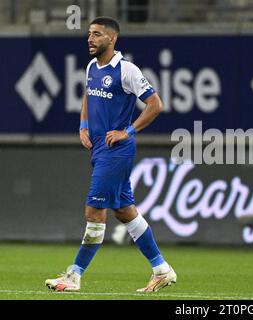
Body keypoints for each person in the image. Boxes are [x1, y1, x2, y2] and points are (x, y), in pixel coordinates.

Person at [45, 17, 176, 293]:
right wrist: (83, 125)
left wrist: (127, 131)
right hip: (100, 149)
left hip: (116, 152)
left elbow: (155, 105)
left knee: (94, 212)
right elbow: (87, 96)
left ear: (112, 39)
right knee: (125, 212)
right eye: (89, 34)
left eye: (97, 35)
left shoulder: (127, 70)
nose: (90, 39)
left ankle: (74, 276)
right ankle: (162, 269)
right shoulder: (93, 66)